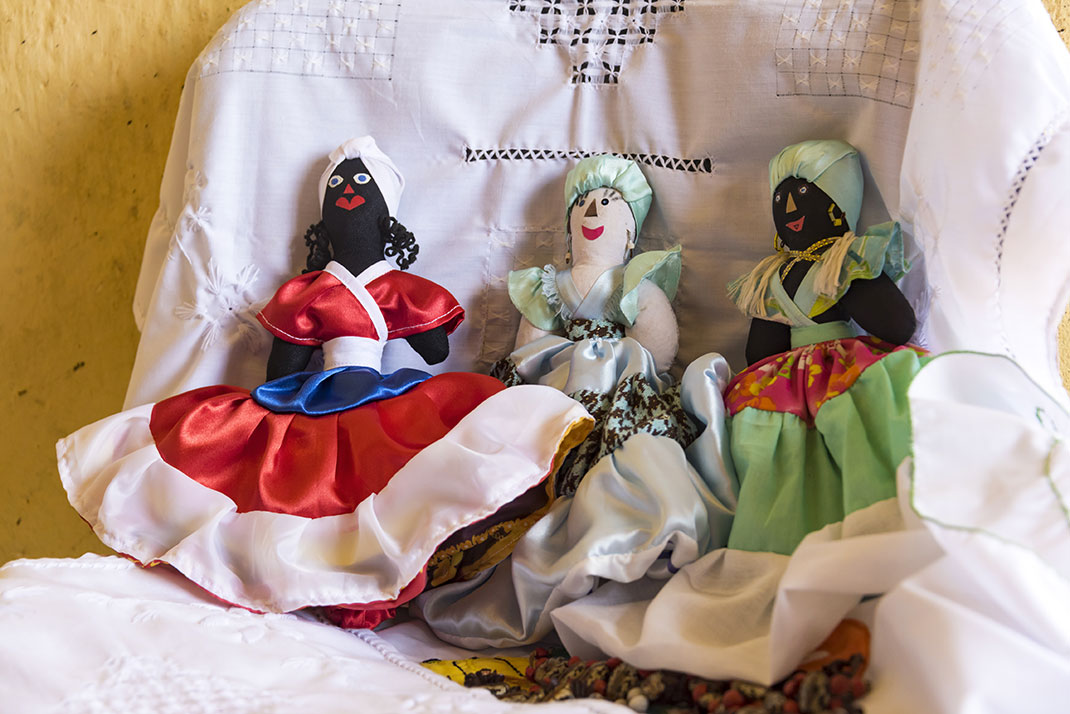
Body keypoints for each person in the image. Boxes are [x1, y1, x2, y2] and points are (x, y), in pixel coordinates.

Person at [57, 137, 592, 626]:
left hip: (381, 392)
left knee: (401, 476)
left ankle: (372, 576)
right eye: (338, 184)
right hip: (319, 394)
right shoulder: (311, 289)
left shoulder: (392, 286)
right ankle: (321, 576)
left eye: (360, 183)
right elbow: (283, 368)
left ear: (386, 213)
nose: (348, 191)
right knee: (293, 478)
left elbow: (435, 350)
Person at [413, 155, 735, 648]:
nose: (593, 211)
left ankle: (609, 527)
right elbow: (531, 341)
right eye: (583, 203)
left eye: (607, 202)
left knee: (628, 449)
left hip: (619, 376)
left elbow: (654, 339)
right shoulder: (552, 284)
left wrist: (645, 364)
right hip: (556, 374)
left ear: (630, 232)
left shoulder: (632, 283)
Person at [725, 138, 926, 556]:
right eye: (780, 198)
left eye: (802, 192)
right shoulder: (771, 277)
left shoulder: (844, 260)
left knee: (857, 424)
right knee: (783, 451)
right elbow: (760, 354)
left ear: (839, 201)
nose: (789, 207)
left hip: (842, 363)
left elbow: (895, 323)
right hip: (785, 376)